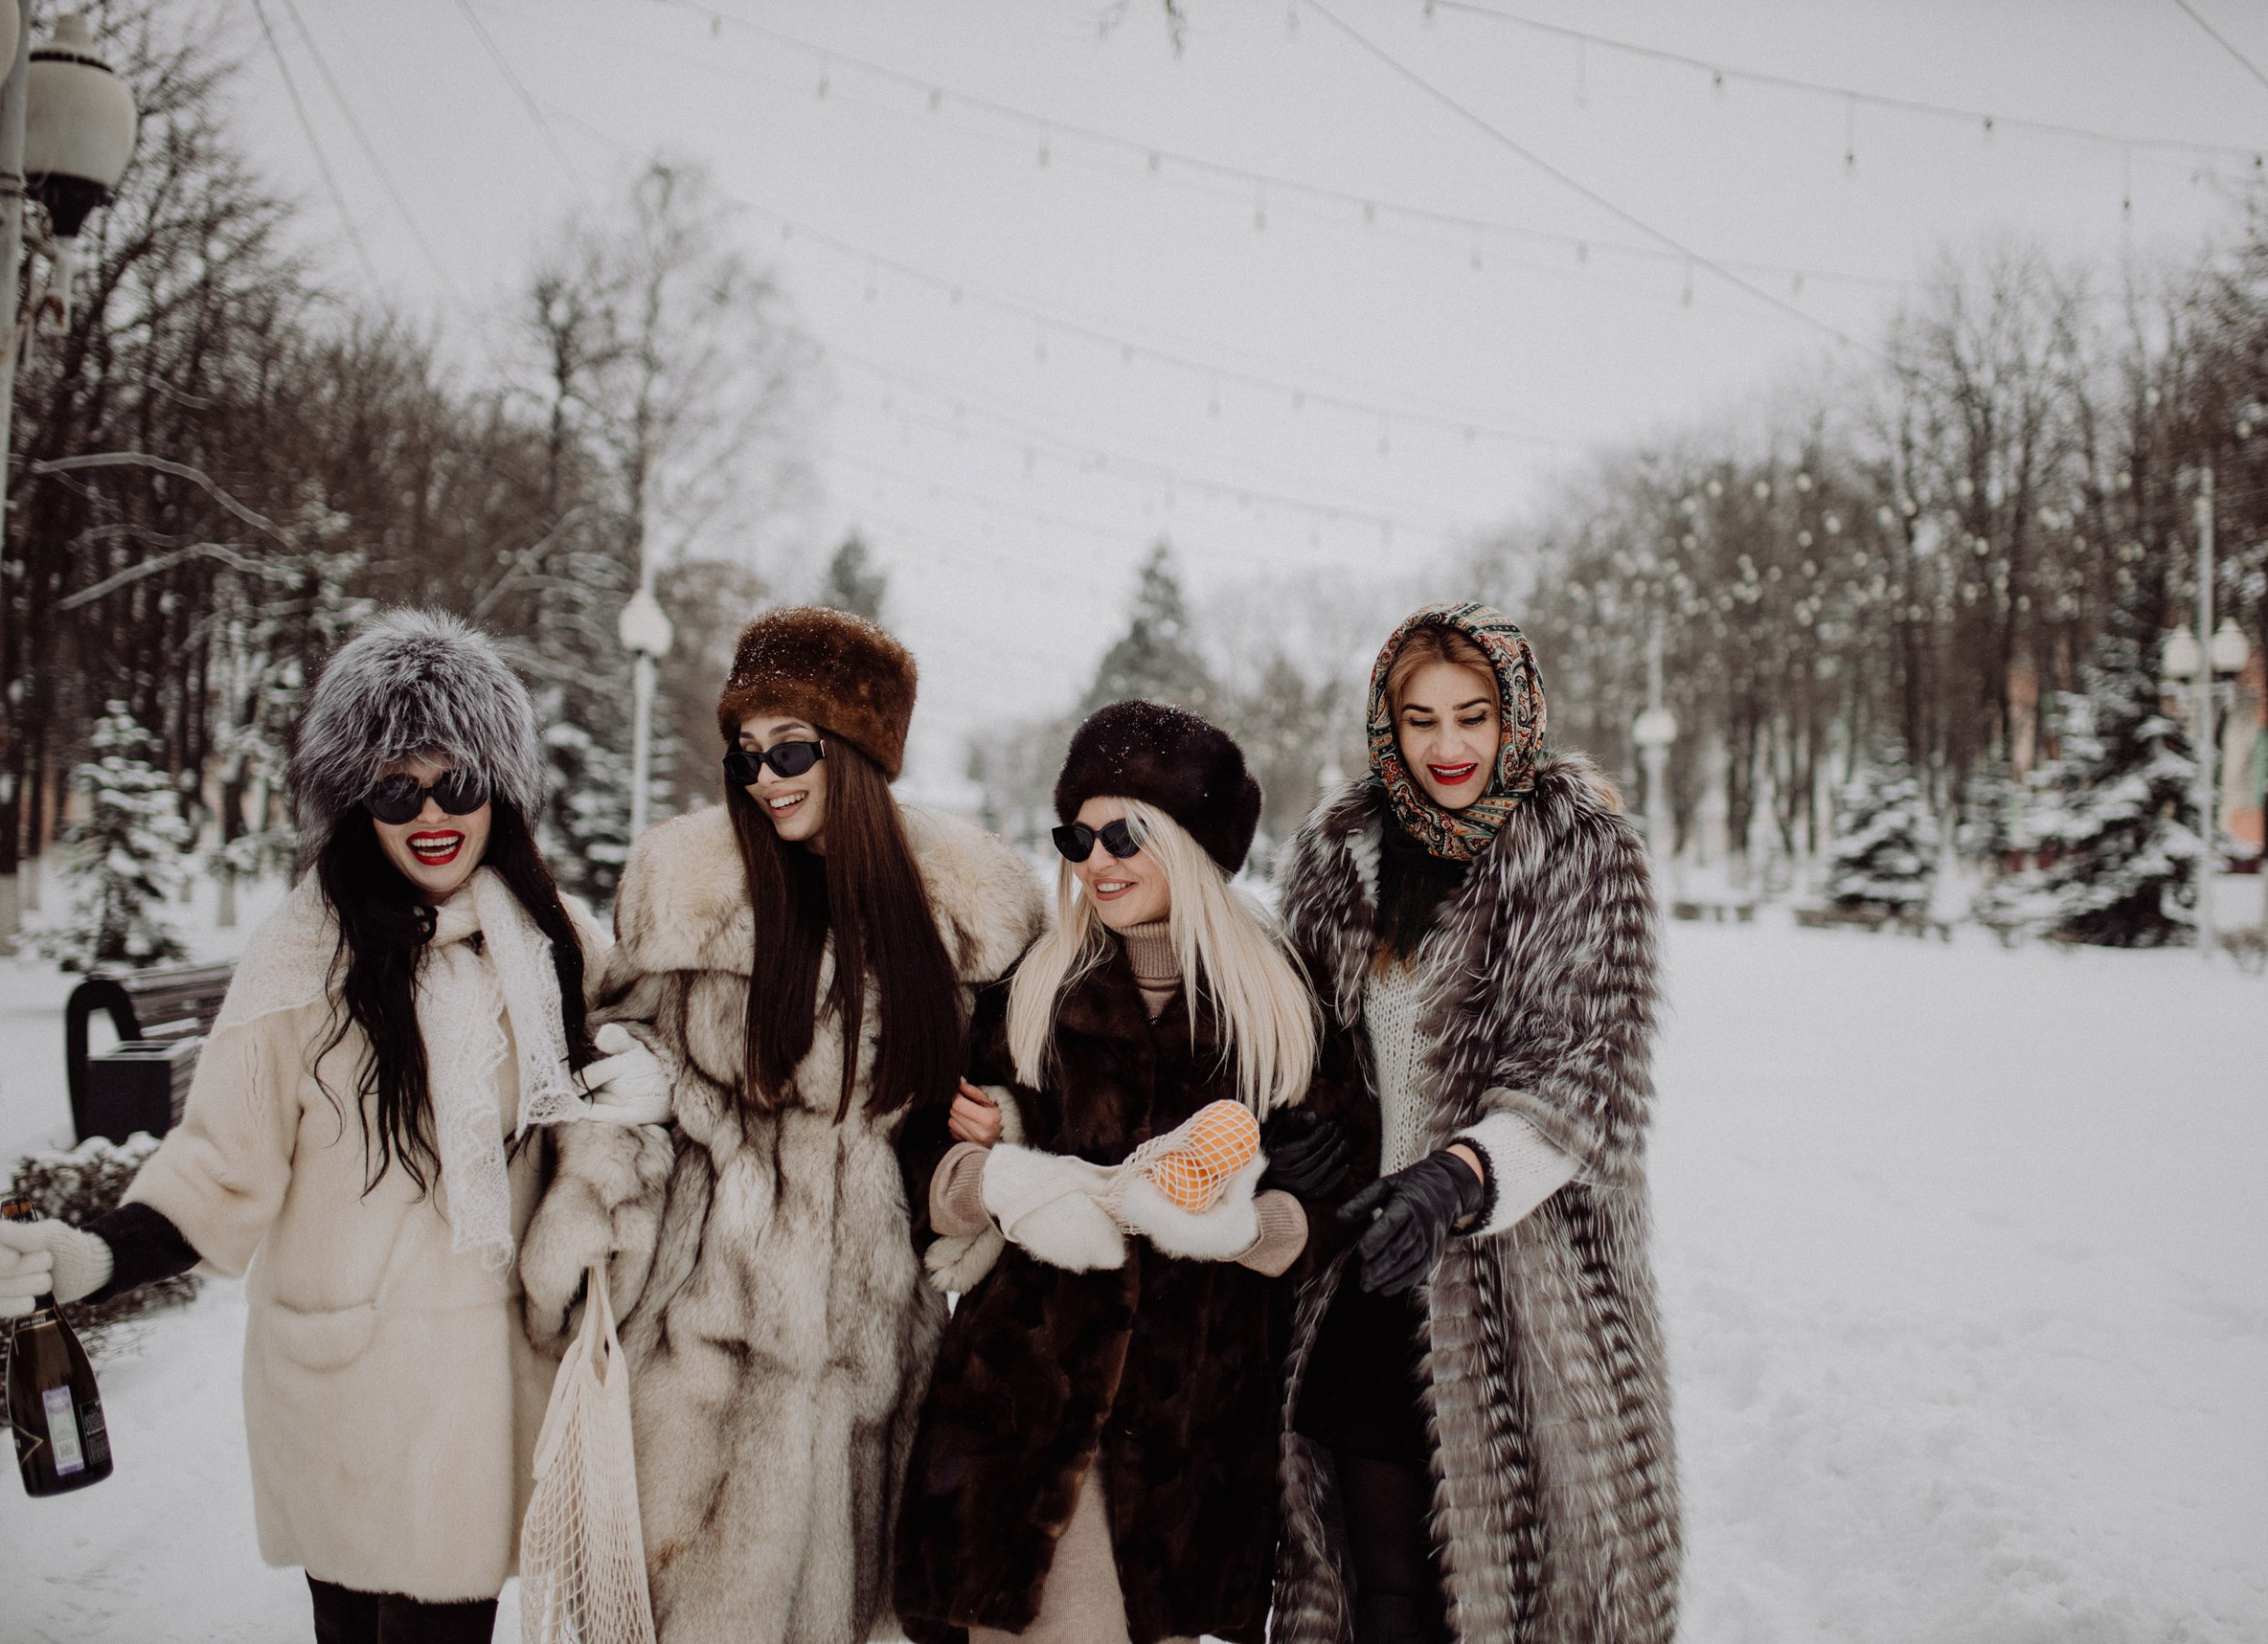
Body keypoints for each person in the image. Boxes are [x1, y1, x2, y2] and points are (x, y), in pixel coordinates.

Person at [0, 611, 670, 1644]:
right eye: (397, 788)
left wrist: (652, 1081)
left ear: (499, 789)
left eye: (458, 782)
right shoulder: (301, 956)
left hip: (489, 1409)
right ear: (359, 802)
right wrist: (90, 1256)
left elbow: (648, 1066)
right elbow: (220, 1166)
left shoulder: (555, 942)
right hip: (348, 1398)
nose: (431, 812)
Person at [517, 606, 1046, 1644]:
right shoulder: (687, 897)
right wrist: (598, 1196)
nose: (764, 776)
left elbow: (1014, 1095)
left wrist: (1003, 1132)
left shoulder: (962, 921)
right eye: (746, 753)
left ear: (858, 752)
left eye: (791, 749)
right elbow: (620, 1088)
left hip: (874, 1372)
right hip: (700, 1357)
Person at [893, 700, 1361, 1644]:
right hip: (1021, 1411)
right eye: (1077, 836)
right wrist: (994, 1178)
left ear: (1192, 841)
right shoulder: (1034, 990)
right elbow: (922, 1156)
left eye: (1123, 835)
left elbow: (1338, 1194)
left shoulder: (1280, 1008)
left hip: (1193, 1435)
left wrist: (1249, 1226)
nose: (1094, 861)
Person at [1271, 602, 1680, 1644]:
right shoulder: (1343, 853)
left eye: (1472, 716)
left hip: (1527, 1293)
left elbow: (1586, 1073)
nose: (1446, 746)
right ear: (1387, 725)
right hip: (1373, 1270)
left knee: (1522, 1604)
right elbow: (1304, 1034)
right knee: (1381, 1597)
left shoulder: (1581, 854)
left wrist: (1457, 1175)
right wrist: (1303, 1125)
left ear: (1515, 718)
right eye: (1420, 719)